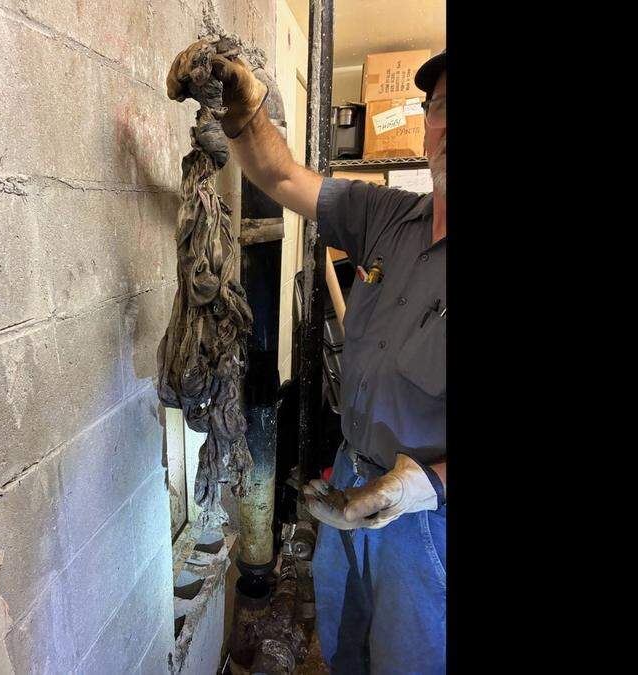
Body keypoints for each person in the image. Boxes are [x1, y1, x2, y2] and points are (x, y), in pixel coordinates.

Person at [166, 44, 448, 673]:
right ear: (427, 121)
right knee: (347, 649)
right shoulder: (388, 216)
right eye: (443, 107)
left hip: (431, 524)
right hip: (349, 482)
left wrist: (428, 485)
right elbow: (284, 177)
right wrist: (244, 115)